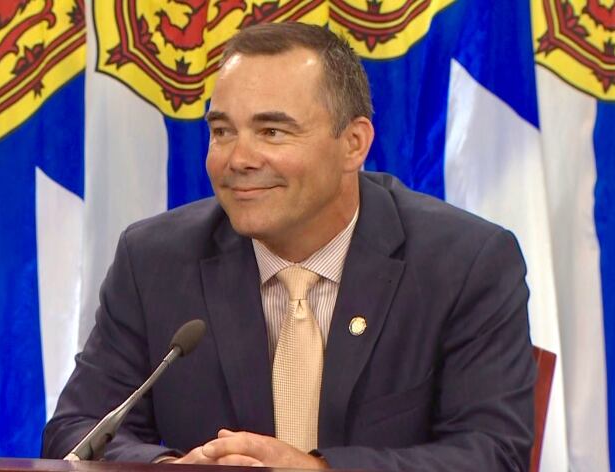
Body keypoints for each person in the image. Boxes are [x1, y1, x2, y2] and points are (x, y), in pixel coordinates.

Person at [42, 22, 536, 471]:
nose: (238, 158)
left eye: (272, 131)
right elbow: (76, 430)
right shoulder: (153, 260)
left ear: (354, 144)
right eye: (221, 131)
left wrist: (319, 471)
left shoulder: (466, 262)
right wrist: (172, 468)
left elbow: (492, 453)